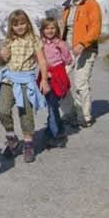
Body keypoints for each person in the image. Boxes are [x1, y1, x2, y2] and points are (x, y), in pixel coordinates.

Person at [0, 10, 49, 163]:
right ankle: (12, 138)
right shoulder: (8, 40)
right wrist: (1, 57)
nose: (20, 27)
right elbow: (1, 62)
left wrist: (44, 80)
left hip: (26, 79)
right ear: (11, 26)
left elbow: (42, 60)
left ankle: (28, 144)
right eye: (16, 25)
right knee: (3, 109)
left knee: (26, 113)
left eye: (22, 23)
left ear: (27, 23)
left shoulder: (34, 40)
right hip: (8, 78)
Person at [59, 0, 102, 128]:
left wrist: (83, 44)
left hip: (86, 49)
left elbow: (95, 29)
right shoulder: (67, 5)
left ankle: (84, 117)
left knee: (80, 83)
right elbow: (65, 29)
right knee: (59, 80)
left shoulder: (91, 4)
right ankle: (70, 112)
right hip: (68, 49)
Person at [38, 17, 72, 147]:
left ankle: (51, 134)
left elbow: (68, 61)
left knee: (52, 105)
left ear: (56, 29)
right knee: (52, 105)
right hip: (45, 76)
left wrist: (63, 48)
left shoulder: (60, 43)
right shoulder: (40, 44)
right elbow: (37, 60)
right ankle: (60, 130)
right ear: (43, 30)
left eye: (52, 28)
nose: (50, 30)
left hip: (57, 77)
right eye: (47, 28)